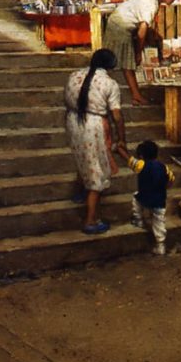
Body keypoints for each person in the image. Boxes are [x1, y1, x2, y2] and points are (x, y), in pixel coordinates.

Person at [64, 48, 127, 235]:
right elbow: (117, 116)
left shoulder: (74, 75)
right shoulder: (110, 83)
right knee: (96, 171)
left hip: (73, 120)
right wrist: (121, 138)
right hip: (93, 125)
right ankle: (90, 220)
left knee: (84, 156)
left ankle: (80, 192)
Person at [102, 0, 179, 105]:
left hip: (119, 21)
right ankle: (136, 95)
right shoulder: (150, 5)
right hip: (120, 26)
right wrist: (138, 53)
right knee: (128, 64)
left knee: (120, 62)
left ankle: (132, 94)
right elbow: (141, 33)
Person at [115, 140, 174, 255]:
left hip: (144, 197)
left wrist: (119, 149)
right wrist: (164, 188)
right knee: (159, 222)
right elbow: (171, 179)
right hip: (159, 200)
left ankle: (138, 220)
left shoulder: (141, 165)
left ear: (141, 156)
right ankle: (160, 245)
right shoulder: (164, 167)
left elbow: (129, 159)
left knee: (135, 199)